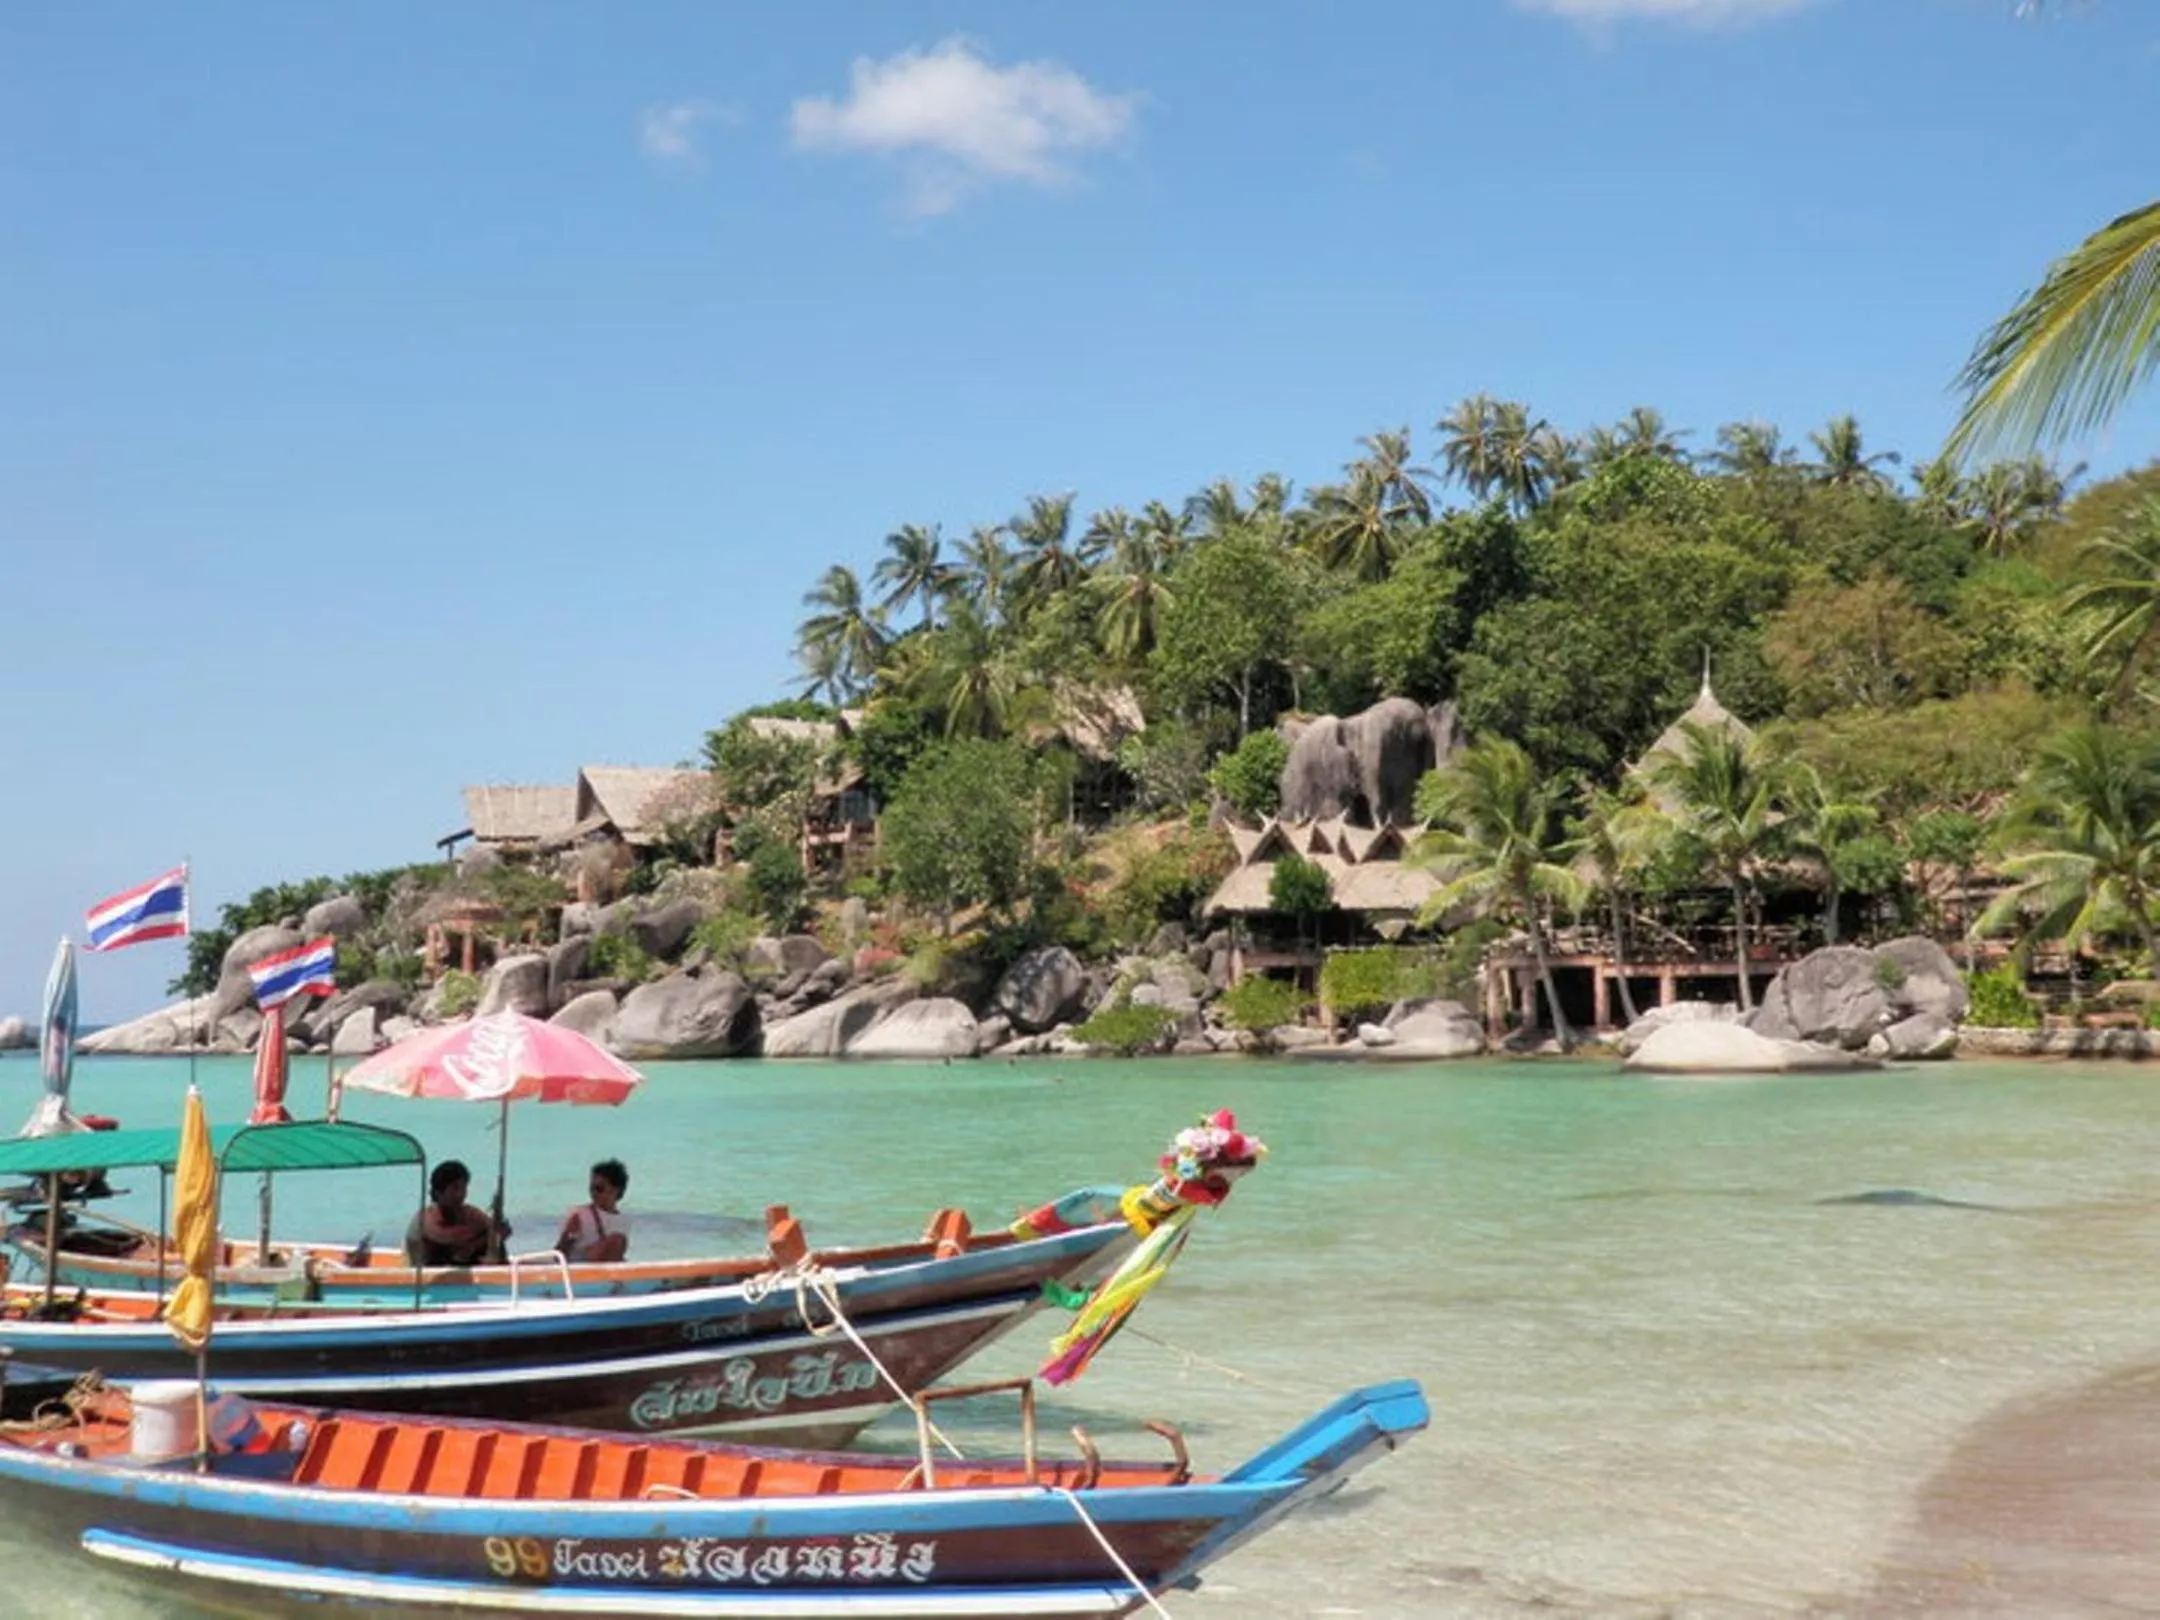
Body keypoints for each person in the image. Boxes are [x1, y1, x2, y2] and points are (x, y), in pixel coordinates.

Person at [404, 1160, 505, 1267]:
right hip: (428, 1273)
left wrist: (495, 1227)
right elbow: (450, 1236)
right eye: (455, 1188)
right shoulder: (426, 1219)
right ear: (438, 1193)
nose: (461, 1194)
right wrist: (487, 1231)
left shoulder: (468, 1213)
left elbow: (497, 1229)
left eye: (464, 1188)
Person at [555, 1158, 630, 1263]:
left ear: (615, 1190)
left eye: (599, 1188)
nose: (593, 1193)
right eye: (591, 1188)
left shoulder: (623, 1221)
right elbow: (559, 1253)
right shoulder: (580, 1215)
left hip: (604, 1267)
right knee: (617, 1240)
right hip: (580, 1266)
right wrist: (570, 1236)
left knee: (618, 1241)